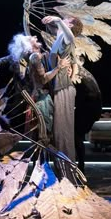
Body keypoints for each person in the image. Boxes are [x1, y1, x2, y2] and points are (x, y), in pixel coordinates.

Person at [41, 15, 83, 179]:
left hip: (63, 90)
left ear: (69, 25)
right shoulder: (61, 39)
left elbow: (70, 37)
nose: (64, 19)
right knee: (59, 133)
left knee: (62, 134)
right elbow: (73, 61)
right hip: (61, 88)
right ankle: (63, 174)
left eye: (66, 19)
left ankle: (67, 177)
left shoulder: (67, 39)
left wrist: (58, 19)